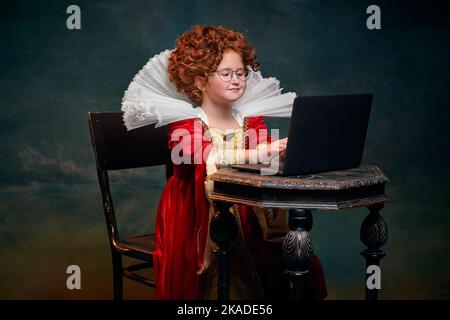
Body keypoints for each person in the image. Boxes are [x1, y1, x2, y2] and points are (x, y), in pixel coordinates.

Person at [121, 25, 327, 300]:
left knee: (282, 259)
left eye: (241, 72)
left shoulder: (248, 118)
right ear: (200, 80)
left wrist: (278, 152)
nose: (237, 80)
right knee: (218, 273)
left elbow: (262, 150)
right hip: (193, 214)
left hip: (243, 207)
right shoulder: (185, 121)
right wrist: (256, 155)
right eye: (226, 73)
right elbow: (201, 155)